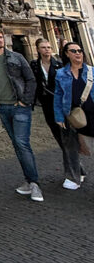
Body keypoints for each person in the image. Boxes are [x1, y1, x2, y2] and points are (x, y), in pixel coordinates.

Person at [0, 26, 42, 201]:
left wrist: (25, 101)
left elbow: (30, 79)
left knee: (22, 143)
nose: (0, 40)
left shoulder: (17, 57)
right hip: (2, 108)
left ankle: (34, 183)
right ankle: (29, 181)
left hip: (19, 106)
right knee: (16, 144)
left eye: (1, 37)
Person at [53, 41, 94, 190]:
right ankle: (73, 177)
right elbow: (58, 96)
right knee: (70, 146)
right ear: (67, 54)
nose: (78, 53)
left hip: (92, 114)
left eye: (80, 50)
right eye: (74, 51)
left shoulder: (91, 71)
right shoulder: (61, 74)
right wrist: (59, 116)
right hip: (71, 115)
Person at [30, 38, 64, 148]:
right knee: (54, 128)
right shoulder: (34, 65)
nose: (47, 50)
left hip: (59, 101)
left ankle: (72, 156)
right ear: (38, 50)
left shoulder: (59, 65)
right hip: (46, 102)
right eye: (43, 48)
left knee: (64, 129)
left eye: (49, 47)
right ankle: (65, 151)